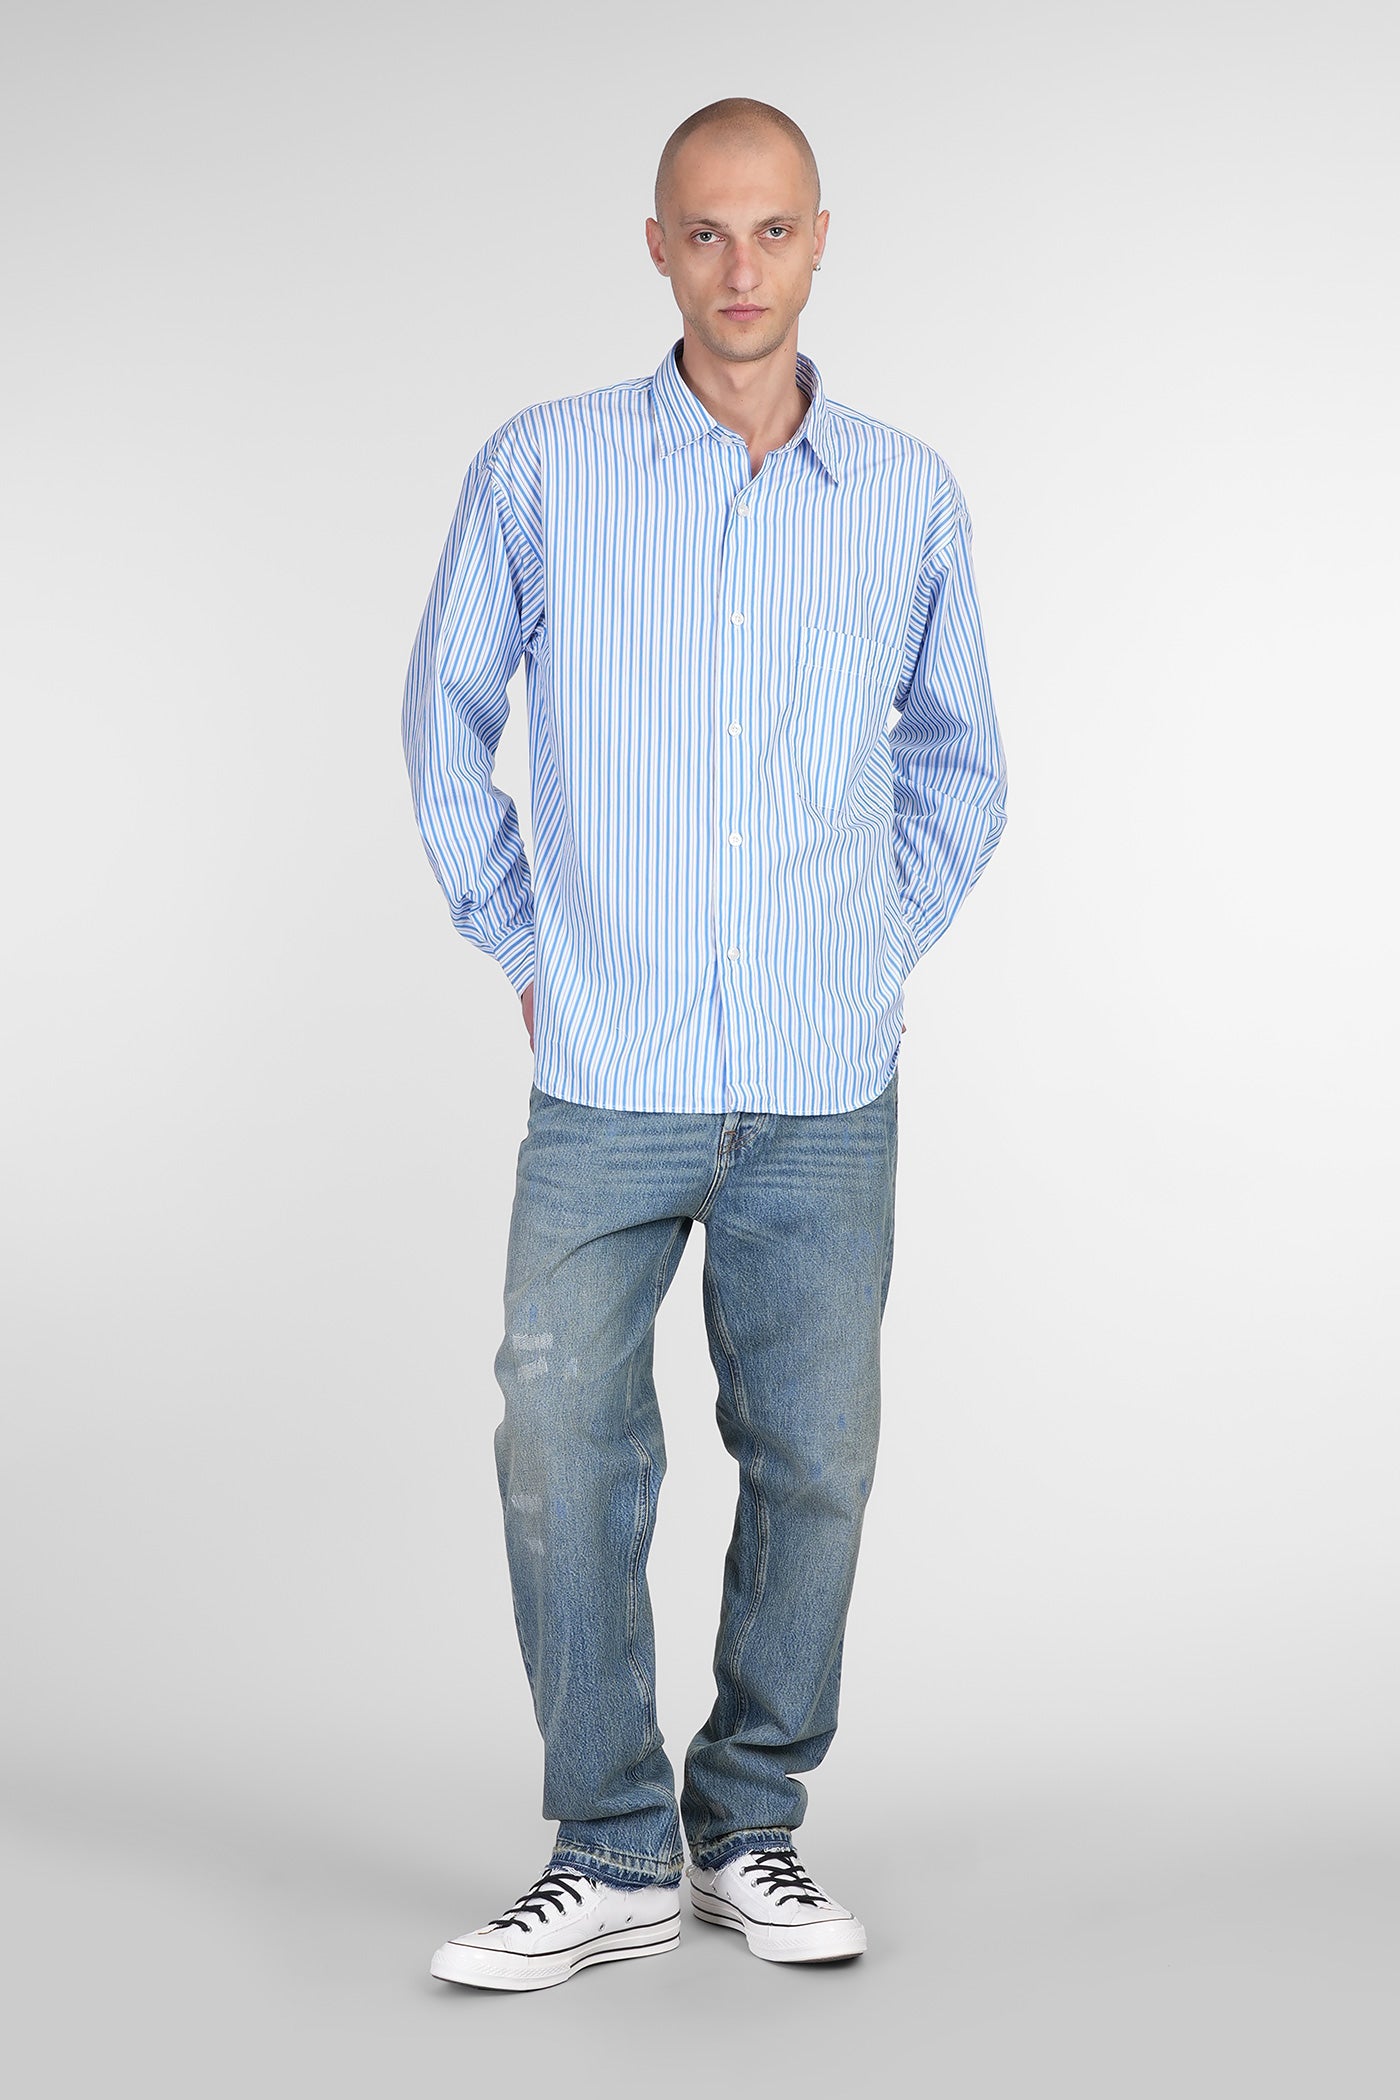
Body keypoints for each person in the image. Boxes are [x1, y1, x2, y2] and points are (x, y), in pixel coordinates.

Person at [402, 95, 1007, 1993]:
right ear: (657, 246)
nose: (741, 268)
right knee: (558, 1448)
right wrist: (525, 944)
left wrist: (867, 944)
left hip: (825, 1090)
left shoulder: (905, 494)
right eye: (706, 231)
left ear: (822, 240)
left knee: (815, 1460)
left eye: (773, 230)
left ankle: (749, 1825)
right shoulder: (546, 468)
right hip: (609, 1076)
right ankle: (610, 1850)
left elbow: (963, 764)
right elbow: (444, 718)